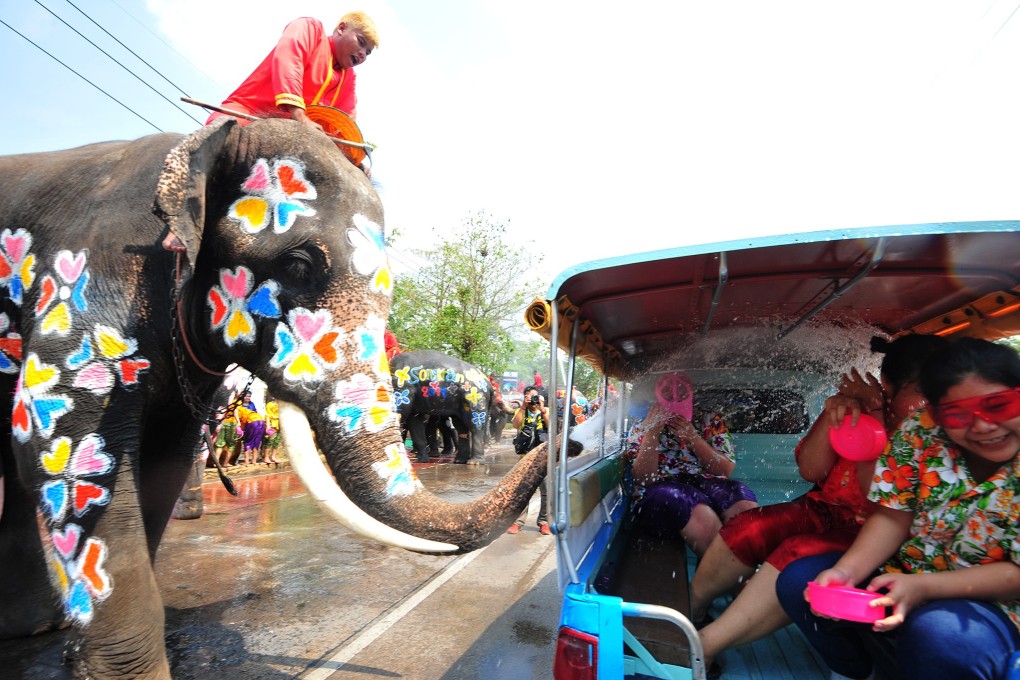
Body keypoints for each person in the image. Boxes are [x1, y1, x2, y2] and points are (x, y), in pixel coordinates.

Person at [689, 334, 947, 669]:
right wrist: (834, 413)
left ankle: (704, 646)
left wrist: (875, 414)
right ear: (887, 384)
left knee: (796, 552)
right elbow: (811, 469)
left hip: (876, 526)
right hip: (823, 507)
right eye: (923, 396)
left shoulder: (927, 429)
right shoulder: (859, 408)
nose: (934, 404)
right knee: (750, 526)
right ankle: (690, 611)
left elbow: (880, 497)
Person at [776, 338, 1020, 680]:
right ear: (935, 412)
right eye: (956, 413)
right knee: (801, 582)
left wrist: (924, 588)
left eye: (998, 405)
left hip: (1000, 604)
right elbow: (893, 516)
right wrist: (845, 573)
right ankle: (857, 672)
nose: (982, 426)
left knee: (941, 632)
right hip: (910, 572)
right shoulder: (920, 431)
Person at [205, 13, 378, 168]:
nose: (362, 53)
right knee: (210, 147)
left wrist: (351, 159)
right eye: (361, 42)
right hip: (245, 115)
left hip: (288, 143)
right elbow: (290, 61)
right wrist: (299, 115)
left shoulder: (349, 78)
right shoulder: (311, 29)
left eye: (368, 52)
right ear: (341, 28)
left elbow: (344, 122)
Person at [624, 373, 758, 557]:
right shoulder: (642, 425)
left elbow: (725, 471)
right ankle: (726, 572)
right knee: (690, 504)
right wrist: (652, 432)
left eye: (681, 393)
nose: (674, 397)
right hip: (659, 491)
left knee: (741, 499)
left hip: (703, 482)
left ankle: (746, 569)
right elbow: (644, 479)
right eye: (668, 394)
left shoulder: (710, 421)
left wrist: (693, 437)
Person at [507, 386, 552, 535]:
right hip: (524, 459)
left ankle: (544, 522)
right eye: (528, 397)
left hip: (542, 459)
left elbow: (552, 427)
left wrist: (542, 409)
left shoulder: (546, 410)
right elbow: (515, 424)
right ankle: (518, 522)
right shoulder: (521, 411)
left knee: (546, 492)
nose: (532, 400)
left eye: (534, 397)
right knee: (522, 492)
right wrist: (523, 407)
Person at [235, 394, 266, 465]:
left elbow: (236, 412)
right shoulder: (243, 406)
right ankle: (254, 460)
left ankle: (246, 461)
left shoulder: (239, 407)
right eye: (246, 396)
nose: (248, 398)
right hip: (261, 421)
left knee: (248, 441)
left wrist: (238, 423)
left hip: (252, 422)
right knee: (256, 441)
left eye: (249, 396)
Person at [262, 394, 282, 467]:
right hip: (272, 423)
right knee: (270, 440)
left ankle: (273, 456)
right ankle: (266, 457)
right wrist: (268, 426)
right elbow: (268, 415)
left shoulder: (281, 405)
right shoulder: (270, 404)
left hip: (279, 424)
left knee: (276, 441)